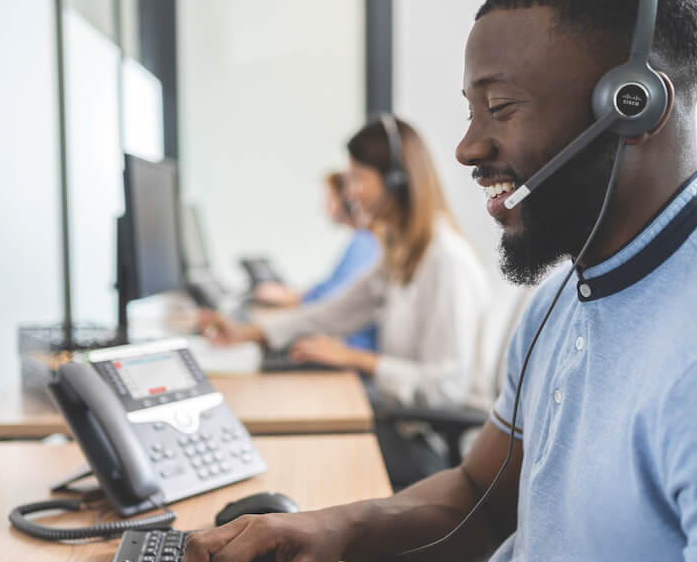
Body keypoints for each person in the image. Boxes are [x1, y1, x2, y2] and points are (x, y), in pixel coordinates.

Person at [180, 0, 697, 562]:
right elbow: (478, 498)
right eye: (471, 110)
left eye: (500, 107)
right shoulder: (562, 296)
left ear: (633, 105)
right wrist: (336, 525)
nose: (466, 146)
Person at [201, 116, 489, 413]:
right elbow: (333, 314)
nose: (349, 192)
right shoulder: (399, 254)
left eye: (357, 178)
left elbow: (447, 389)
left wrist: (354, 359)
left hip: (431, 438)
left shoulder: (446, 260)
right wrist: (249, 332)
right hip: (402, 418)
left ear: (396, 181)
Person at [252, 171, 381, 351]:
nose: (325, 206)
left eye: (330, 198)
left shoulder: (364, 242)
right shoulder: (360, 241)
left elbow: (334, 300)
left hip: (351, 348)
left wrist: (287, 300)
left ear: (347, 202)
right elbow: (328, 288)